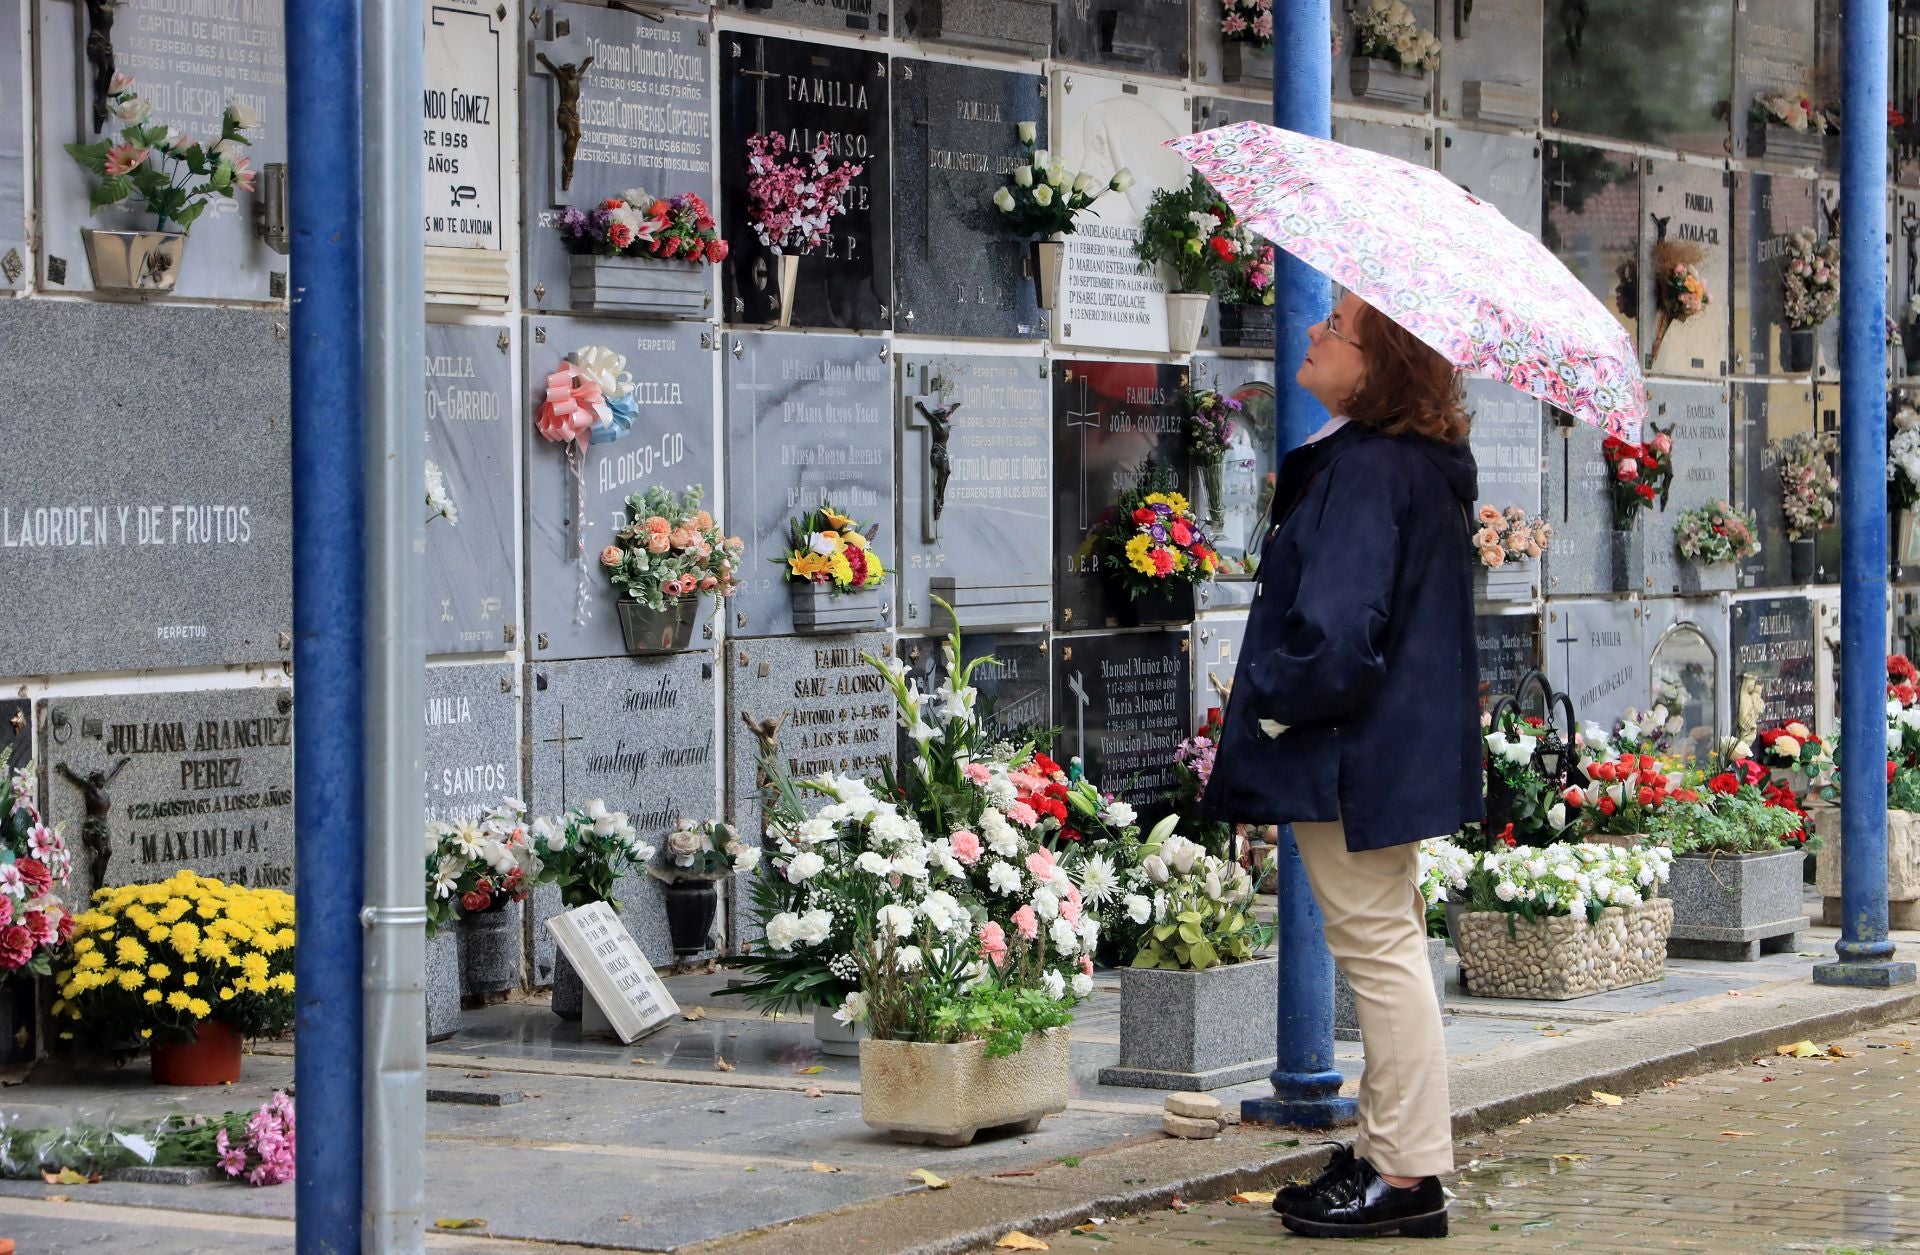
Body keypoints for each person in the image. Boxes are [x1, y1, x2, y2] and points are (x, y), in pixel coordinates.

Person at [1202, 291, 1481, 1241]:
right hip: (1380, 748)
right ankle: (1392, 1152)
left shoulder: (1370, 469)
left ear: (1380, 364)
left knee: (1379, 951)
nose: (1314, 333)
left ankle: (1405, 1175)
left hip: (1348, 752)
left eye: (1337, 328)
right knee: (1387, 942)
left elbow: (1337, 633)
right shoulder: (1409, 463)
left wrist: (1269, 702)